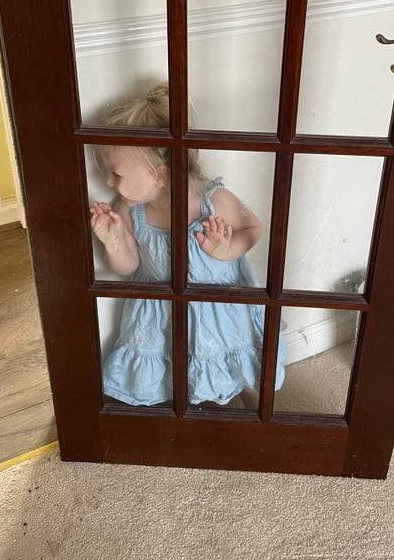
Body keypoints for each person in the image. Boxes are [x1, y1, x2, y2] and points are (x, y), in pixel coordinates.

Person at [89, 82, 287, 408]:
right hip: (162, 312)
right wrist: (113, 240)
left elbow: (253, 227)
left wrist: (226, 250)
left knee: (241, 366)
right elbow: (129, 267)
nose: (109, 182)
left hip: (220, 308)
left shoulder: (212, 201)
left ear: (161, 175)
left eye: (116, 174)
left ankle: (256, 406)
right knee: (173, 366)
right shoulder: (129, 209)